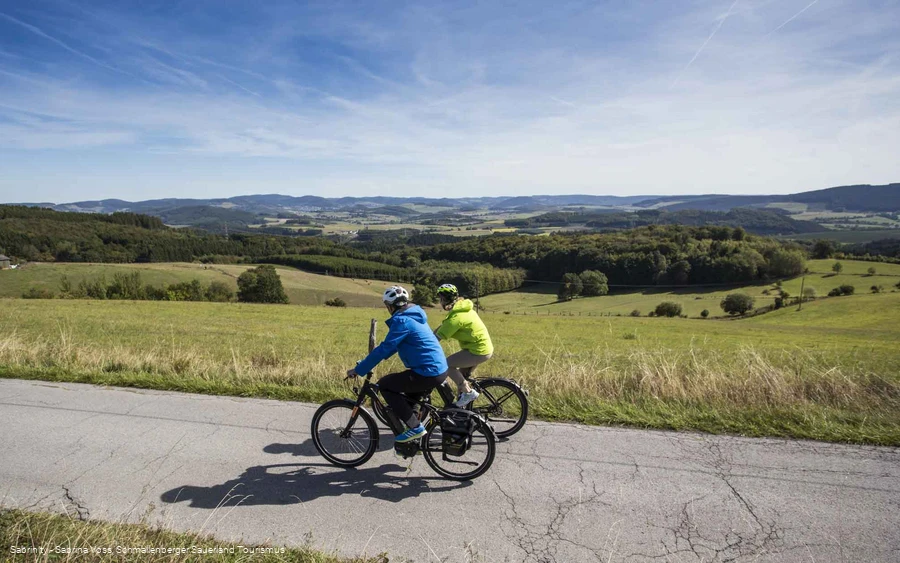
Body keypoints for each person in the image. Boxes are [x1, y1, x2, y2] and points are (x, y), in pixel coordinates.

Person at [347, 285, 448, 444]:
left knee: (385, 385)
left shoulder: (402, 321)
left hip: (427, 372)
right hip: (438, 369)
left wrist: (359, 369)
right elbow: (393, 346)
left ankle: (416, 428)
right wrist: (367, 363)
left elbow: (385, 348)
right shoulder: (414, 316)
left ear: (390, 306)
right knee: (410, 401)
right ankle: (413, 440)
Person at [434, 283, 494, 407]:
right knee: (460, 379)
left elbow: (437, 337)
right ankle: (462, 411)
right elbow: (442, 327)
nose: (440, 301)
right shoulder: (463, 308)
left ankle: (469, 392)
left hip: (478, 351)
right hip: (480, 348)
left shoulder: (456, 318)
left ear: (445, 300)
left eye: (441, 298)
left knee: (446, 365)